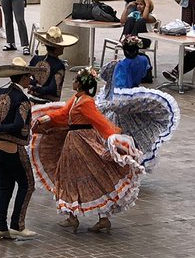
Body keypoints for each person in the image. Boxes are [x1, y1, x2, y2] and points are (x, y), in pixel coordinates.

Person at [30, 68, 143, 233]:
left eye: (75, 80)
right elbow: (63, 113)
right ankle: (74, 216)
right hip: (73, 141)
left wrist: (114, 137)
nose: (73, 82)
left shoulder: (86, 102)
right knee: (70, 175)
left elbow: (100, 121)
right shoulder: (76, 99)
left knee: (93, 174)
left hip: (82, 141)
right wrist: (44, 119)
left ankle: (97, 218)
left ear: (81, 84)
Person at [0, 57, 37, 241]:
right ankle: (17, 225)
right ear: (23, 78)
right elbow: (19, 124)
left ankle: (0, 226)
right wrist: (2, 128)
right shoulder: (22, 100)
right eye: (29, 76)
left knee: (4, 186)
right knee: (27, 184)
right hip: (13, 148)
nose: (31, 80)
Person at [29, 30, 73, 101]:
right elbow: (53, 89)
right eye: (61, 46)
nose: (63, 48)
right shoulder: (59, 65)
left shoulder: (36, 59)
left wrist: (34, 85)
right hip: (49, 104)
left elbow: (24, 76)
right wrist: (37, 88)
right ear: (56, 48)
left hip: (32, 99)